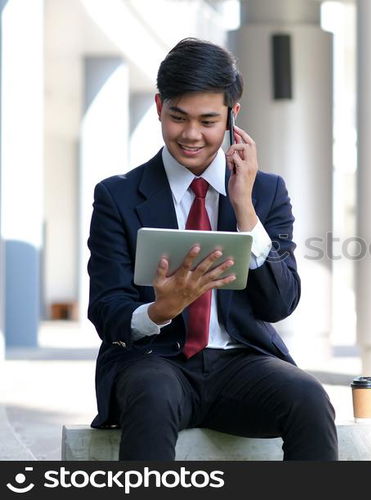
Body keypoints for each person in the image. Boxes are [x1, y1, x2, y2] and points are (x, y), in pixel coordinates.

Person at [86, 38, 338, 461]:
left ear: (231, 119)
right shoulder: (118, 195)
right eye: (177, 117)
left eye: (207, 121)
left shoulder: (267, 191)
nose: (191, 135)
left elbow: (280, 302)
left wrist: (244, 207)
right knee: (152, 395)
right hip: (154, 362)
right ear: (158, 106)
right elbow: (106, 309)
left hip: (240, 362)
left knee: (309, 399)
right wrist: (159, 310)